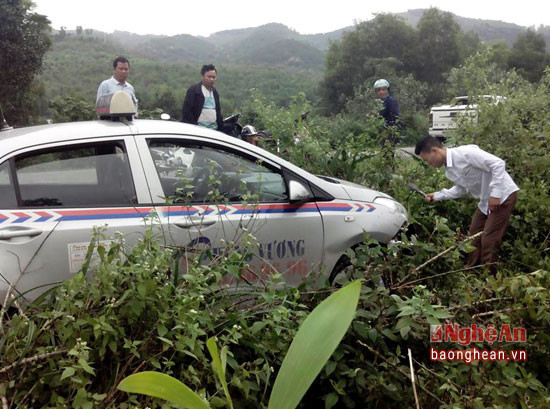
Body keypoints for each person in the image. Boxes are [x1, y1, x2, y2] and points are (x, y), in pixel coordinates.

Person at [415, 136, 519, 273]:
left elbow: (498, 164)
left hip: (503, 196)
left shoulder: (465, 153)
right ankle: (472, 272)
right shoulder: (449, 171)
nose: (428, 163)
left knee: (489, 240)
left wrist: (496, 194)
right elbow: (461, 189)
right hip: (485, 201)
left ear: (435, 151)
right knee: (473, 236)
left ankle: (490, 280)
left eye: (427, 160)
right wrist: (437, 196)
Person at [181, 64, 223, 130]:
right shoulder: (194, 90)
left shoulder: (215, 92)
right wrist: (195, 127)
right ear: (202, 76)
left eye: (214, 77)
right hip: (198, 131)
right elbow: (187, 112)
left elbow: (218, 112)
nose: (212, 79)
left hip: (214, 130)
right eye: (209, 77)